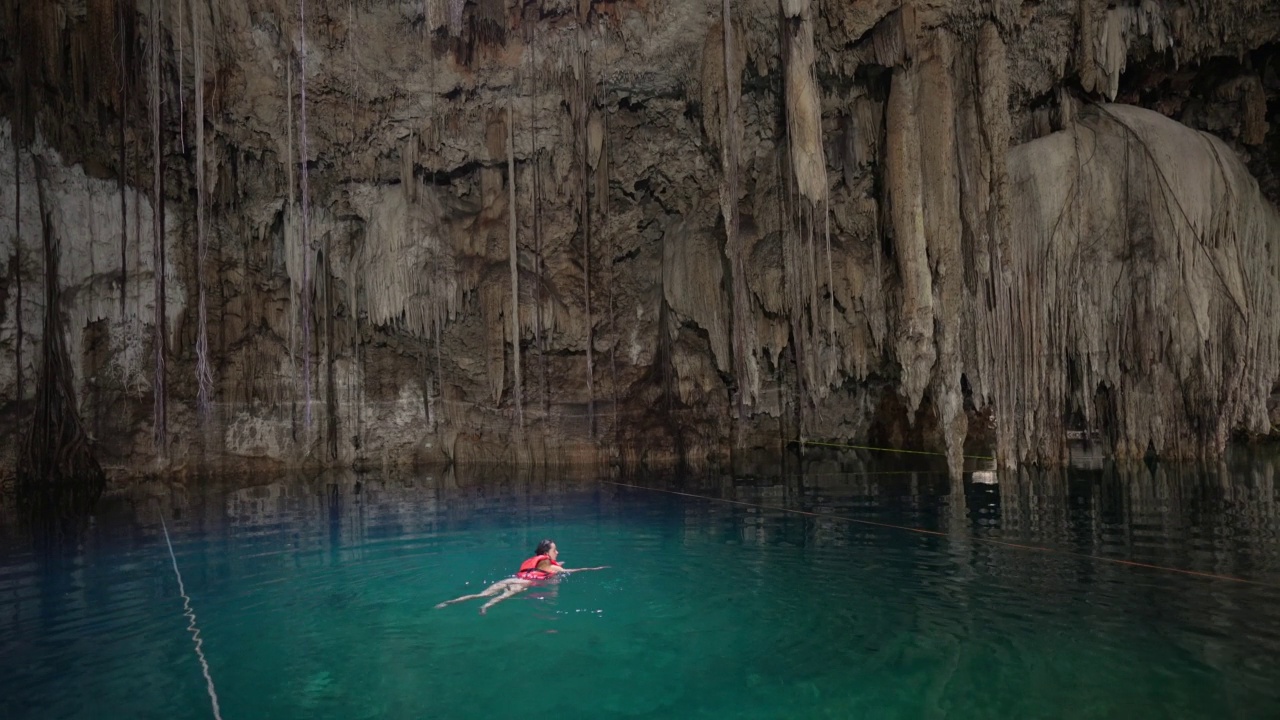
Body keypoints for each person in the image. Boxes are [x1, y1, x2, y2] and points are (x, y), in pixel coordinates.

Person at [433, 539, 608, 614]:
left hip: (512, 578)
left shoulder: (538, 561)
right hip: (524, 584)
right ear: (547, 552)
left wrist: (557, 565)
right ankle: (485, 608)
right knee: (504, 596)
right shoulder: (547, 564)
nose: (558, 552)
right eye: (555, 550)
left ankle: (448, 603)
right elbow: (567, 572)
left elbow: (547, 567)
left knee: (482, 594)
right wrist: (594, 568)